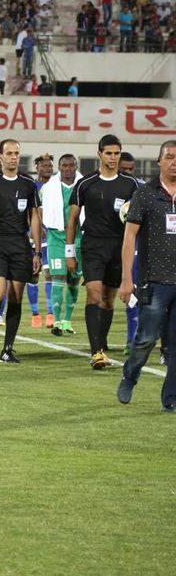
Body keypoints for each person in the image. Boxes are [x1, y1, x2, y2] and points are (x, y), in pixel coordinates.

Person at [66, 135, 140, 369]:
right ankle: (96, 352)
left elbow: (140, 217)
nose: (113, 157)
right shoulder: (85, 183)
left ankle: (101, 342)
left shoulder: (131, 185)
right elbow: (72, 219)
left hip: (119, 246)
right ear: (99, 154)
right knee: (94, 294)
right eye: (108, 153)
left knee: (108, 300)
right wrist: (69, 252)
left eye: (116, 153)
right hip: (93, 245)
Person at [116, 140, 176, 410]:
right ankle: (130, 376)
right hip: (154, 280)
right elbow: (130, 237)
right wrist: (126, 278)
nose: (174, 162)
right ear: (159, 161)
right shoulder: (145, 194)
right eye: (170, 157)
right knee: (147, 338)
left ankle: (170, 399)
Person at [0, 139, 43, 363]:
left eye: (16, 153)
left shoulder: (28, 184)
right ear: (1, 156)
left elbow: (34, 217)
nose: (14, 157)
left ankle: (8, 349)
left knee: (15, 296)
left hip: (20, 245)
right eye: (9, 153)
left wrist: (37, 251)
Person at [43, 154, 83, 337]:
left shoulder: (84, 185)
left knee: (74, 280)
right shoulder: (49, 187)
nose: (68, 169)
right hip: (56, 237)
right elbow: (40, 210)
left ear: (76, 166)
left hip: (78, 238)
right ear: (59, 167)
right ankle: (57, 321)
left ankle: (67, 320)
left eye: (71, 165)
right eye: (64, 166)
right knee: (57, 277)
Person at [119, 152, 144, 354]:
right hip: (120, 247)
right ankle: (131, 339)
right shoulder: (113, 186)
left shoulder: (143, 189)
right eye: (124, 169)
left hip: (145, 247)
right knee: (130, 293)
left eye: (130, 169)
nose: (128, 172)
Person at [28, 154, 55, 328]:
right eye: (44, 166)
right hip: (32, 236)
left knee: (49, 273)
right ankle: (35, 314)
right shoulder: (31, 186)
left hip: (51, 235)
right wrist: (32, 228)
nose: (47, 168)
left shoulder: (56, 186)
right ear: (37, 168)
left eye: (50, 166)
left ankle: (51, 314)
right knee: (33, 274)